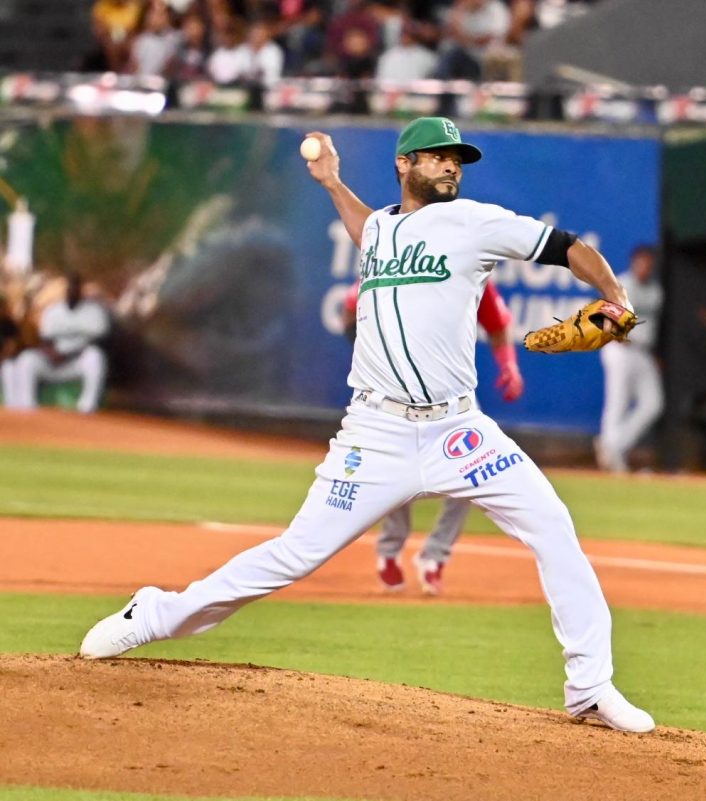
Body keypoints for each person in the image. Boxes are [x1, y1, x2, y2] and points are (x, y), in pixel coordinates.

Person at [80, 116, 655, 734]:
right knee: (294, 555)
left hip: (459, 433)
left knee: (553, 526)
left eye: (458, 158)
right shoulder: (381, 227)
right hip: (375, 434)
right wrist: (332, 182)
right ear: (404, 164)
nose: (451, 165)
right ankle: (156, 613)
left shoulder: (476, 222)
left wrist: (615, 297)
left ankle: (590, 688)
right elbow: (368, 232)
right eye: (437, 155)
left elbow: (568, 247)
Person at [343, 277, 523, 593]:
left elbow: (497, 324)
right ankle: (390, 550)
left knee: (471, 473)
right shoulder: (399, 263)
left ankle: (435, 556)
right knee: (395, 470)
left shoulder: (470, 269)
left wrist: (509, 365)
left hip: (455, 396)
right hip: (398, 392)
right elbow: (349, 310)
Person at [594, 245, 664, 473]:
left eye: (649, 263)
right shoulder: (621, 285)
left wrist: (654, 354)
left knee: (653, 404)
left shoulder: (655, 291)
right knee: (618, 404)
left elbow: (651, 328)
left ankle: (612, 446)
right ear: (634, 262)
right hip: (620, 348)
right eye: (641, 262)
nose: (645, 267)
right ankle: (612, 456)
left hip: (643, 351)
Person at [11, 273, 111, 414]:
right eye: (70, 288)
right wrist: (51, 353)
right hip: (53, 362)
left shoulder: (95, 312)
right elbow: (45, 340)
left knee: (95, 356)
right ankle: (27, 407)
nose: (72, 291)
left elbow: (99, 341)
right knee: (27, 358)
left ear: (80, 290)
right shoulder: (53, 312)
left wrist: (69, 353)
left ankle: (87, 407)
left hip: (76, 363)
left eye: (75, 288)